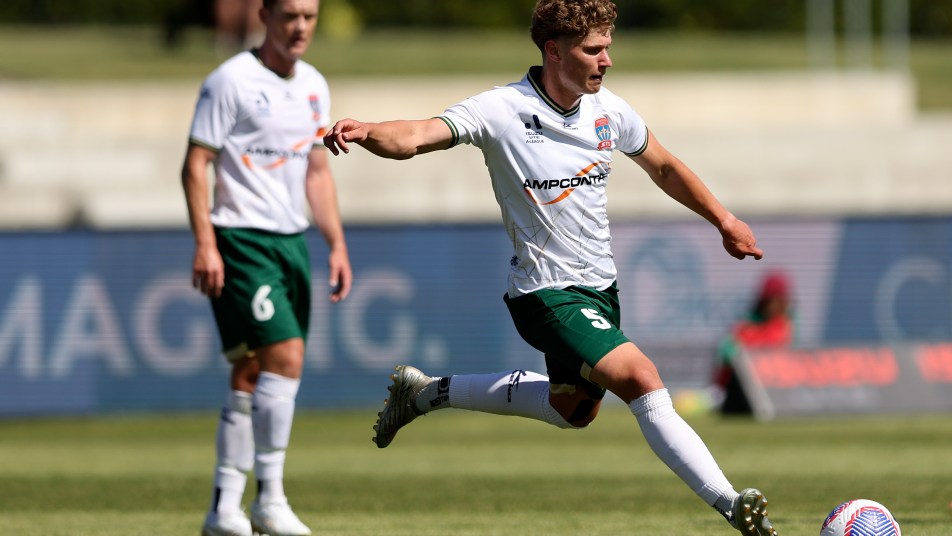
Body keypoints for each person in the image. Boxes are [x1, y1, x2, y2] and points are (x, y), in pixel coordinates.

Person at [324, 0, 777, 534]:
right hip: (544, 294)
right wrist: (368, 131)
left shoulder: (610, 112)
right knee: (642, 379)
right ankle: (732, 504)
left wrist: (724, 219)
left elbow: (665, 167)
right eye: (594, 49)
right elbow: (418, 135)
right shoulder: (502, 109)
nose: (606, 60)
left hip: (600, 289)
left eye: (608, 47)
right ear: (554, 50)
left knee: (573, 410)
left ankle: (425, 393)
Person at [182, 0, 352, 534]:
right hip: (240, 239)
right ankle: (270, 500)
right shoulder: (230, 80)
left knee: (252, 370)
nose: (300, 27)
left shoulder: (314, 86)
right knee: (286, 355)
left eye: (309, 16)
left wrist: (336, 243)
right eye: (290, 15)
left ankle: (223, 508)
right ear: (265, 15)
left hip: (291, 241)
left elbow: (317, 171)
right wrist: (206, 243)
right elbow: (195, 164)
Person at [714, 271, 795, 414]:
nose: (772, 306)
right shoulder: (748, 324)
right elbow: (727, 351)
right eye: (769, 301)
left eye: (776, 301)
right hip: (738, 391)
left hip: (773, 390)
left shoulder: (785, 323)